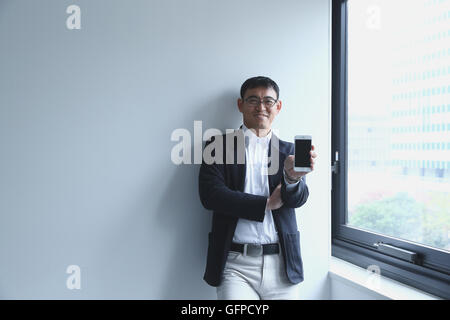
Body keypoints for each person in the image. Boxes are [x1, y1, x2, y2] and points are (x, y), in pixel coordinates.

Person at [198, 76, 317, 300]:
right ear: (240, 104)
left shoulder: (289, 152)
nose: (261, 107)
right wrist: (265, 204)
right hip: (234, 265)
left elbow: (298, 199)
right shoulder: (217, 146)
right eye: (253, 100)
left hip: (283, 264)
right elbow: (210, 195)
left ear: (278, 107)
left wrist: (292, 179)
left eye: (268, 101)